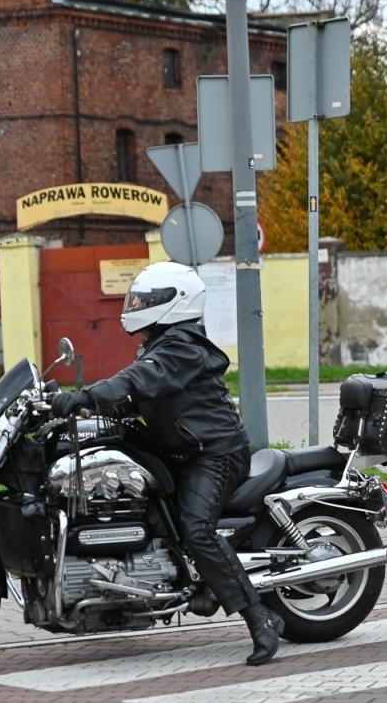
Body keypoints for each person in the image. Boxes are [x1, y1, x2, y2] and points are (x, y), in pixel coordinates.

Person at [50, 262, 285, 665]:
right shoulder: (158, 343)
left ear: (173, 303)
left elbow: (138, 380)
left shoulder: (183, 345)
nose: (135, 306)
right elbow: (136, 390)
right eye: (135, 299)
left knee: (196, 529)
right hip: (178, 451)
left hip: (213, 455)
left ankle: (260, 618)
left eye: (144, 301)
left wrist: (87, 396)